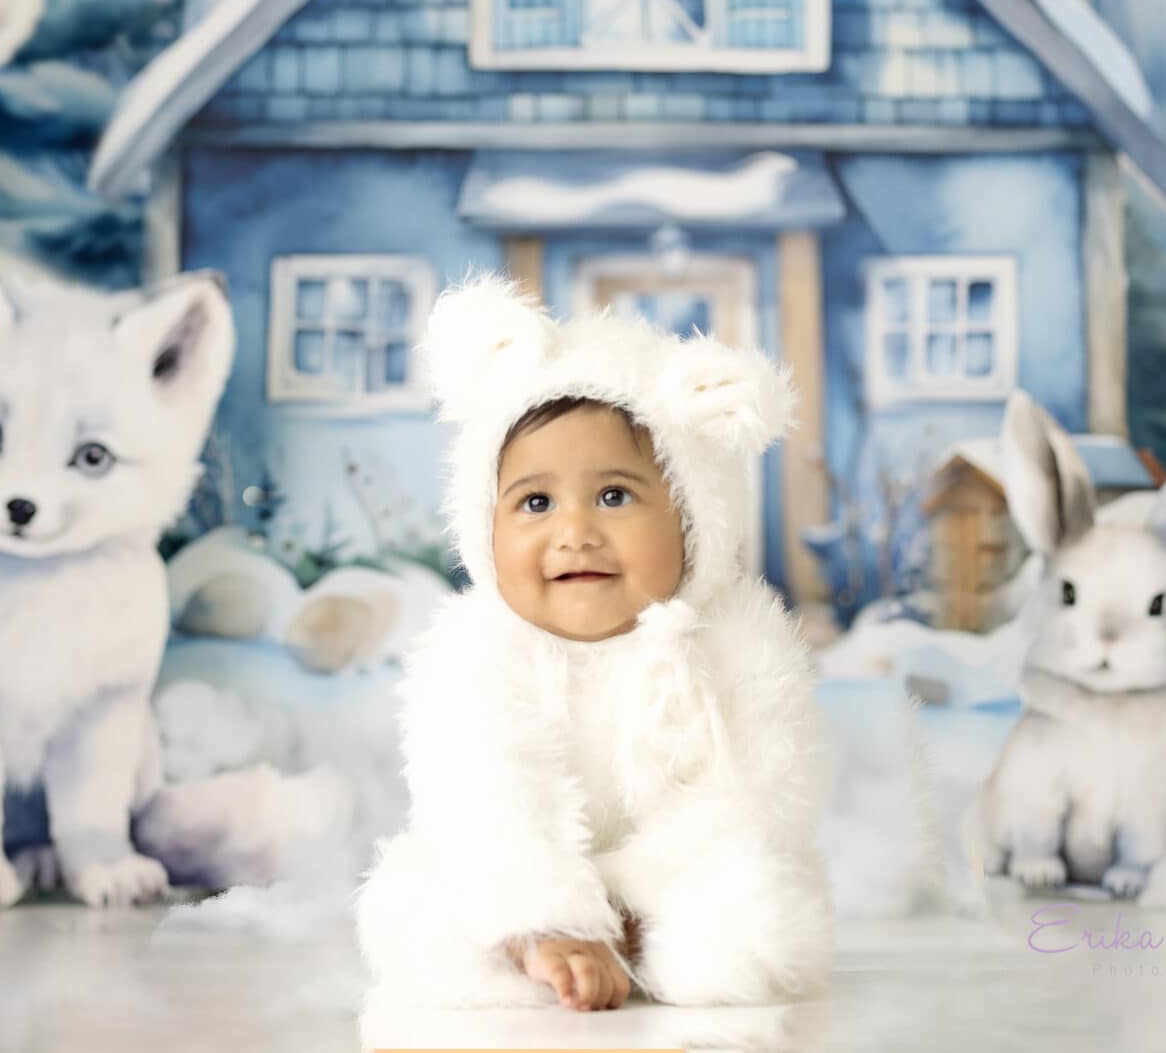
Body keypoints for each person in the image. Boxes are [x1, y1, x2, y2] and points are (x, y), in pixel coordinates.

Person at [356, 275, 832, 1011]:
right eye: (535, 502)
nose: (574, 531)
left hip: (670, 880)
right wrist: (550, 916)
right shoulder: (478, 649)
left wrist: (638, 897)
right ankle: (533, 952)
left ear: (693, 515)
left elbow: (755, 788)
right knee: (415, 893)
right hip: (522, 879)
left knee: (750, 907)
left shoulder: (735, 639)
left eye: (614, 495)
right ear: (484, 524)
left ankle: (669, 948)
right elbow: (483, 793)